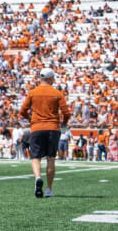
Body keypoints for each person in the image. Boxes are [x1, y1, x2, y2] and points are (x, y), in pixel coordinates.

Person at [19, 68, 70, 199]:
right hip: (53, 128)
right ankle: (48, 189)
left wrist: (32, 120)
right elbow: (67, 113)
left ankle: (37, 178)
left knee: (35, 157)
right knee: (51, 158)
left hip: (36, 128)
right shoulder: (57, 93)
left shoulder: (32, 92)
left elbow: (22, 111)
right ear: (50, 78)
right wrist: (64, 123)